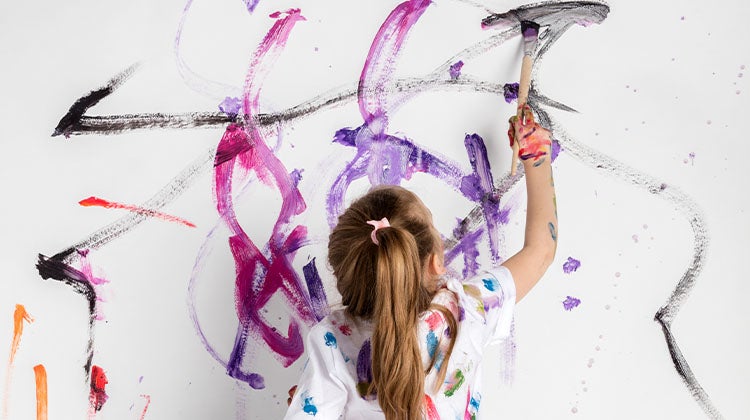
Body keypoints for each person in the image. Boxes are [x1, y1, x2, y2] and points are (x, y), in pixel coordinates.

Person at [284, 104, 557, 419]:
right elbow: (541, 251)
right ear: (435, 261)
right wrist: (537, 157)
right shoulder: (466, 310)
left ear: (346, 272)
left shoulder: (331, 343)